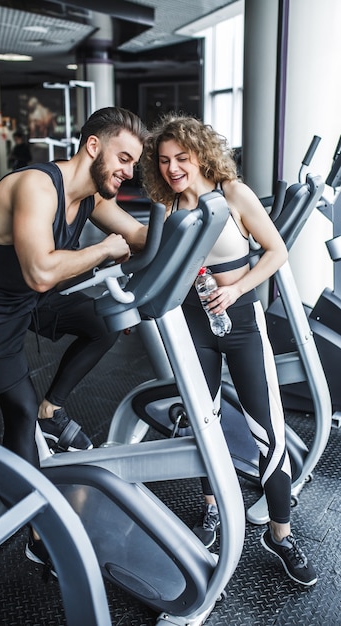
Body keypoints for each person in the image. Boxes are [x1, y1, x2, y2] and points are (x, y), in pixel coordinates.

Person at [0, 106, 149, 571]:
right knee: (17, 407)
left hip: (25, 302)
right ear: (93, 146)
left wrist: (195, 219)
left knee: (103, 324)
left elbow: (138, 235)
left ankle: (52, 409)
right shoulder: (36, 186)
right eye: (124, 158)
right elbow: (40, 272)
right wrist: (100, 249)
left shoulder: (94, 199)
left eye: (135, 163)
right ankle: (37, 533)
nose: (129, 171)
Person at [141, 112, 317, 587]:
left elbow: (276, 253)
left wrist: (237, 291)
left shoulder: (234, 195)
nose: (173, 168)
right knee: (204, 421)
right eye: (163, 161)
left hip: (240, 323)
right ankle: (212, 510)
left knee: (268, 432)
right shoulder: (168, 207)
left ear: (200, 154)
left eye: (181, 157)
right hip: (194, 327)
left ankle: (280, 535)